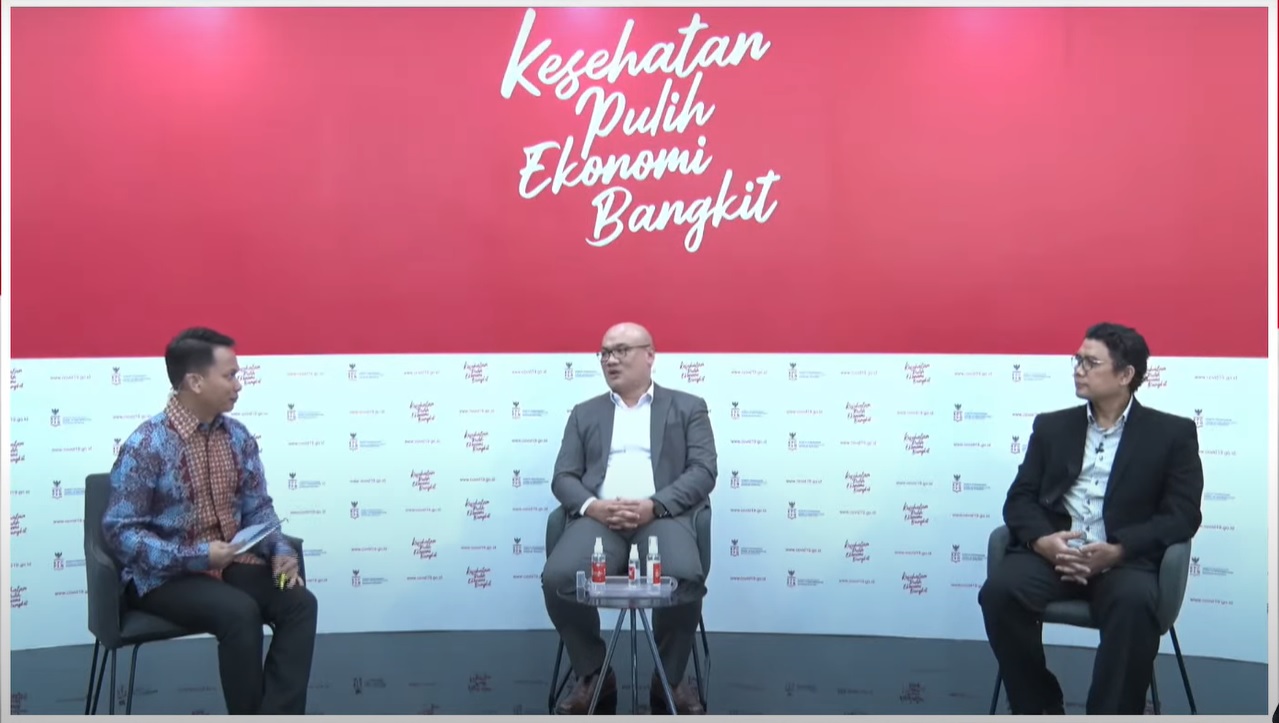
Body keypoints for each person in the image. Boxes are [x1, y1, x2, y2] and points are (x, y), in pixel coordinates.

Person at [979, 322, 1204, 715]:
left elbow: (1182, 515)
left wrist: (1118, 551)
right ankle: (1039, 704)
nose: (1078, 370)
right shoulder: (1052, 427)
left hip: (1124, 562)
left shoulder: (1172, 434)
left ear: (1125, 374)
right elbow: (1019, 500)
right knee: (1000, 593)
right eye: (1077, 360)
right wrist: (1043, 543)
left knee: (1134, 605)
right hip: (1055, 557)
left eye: (1090, 362)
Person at [102, 327, 318, 715]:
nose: (239, 384)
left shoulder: (238, 437)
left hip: (233, 565)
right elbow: (121, 532)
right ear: (195, 382)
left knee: (298, 601)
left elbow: (259, 508)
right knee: (239, 613)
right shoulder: (146, 445)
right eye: (230, 375)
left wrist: (280, 549)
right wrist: (198, 556)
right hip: (162, 578)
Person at [542, 322, 717, 715]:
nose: (611, 360)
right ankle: (593, 672)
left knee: (684, 576)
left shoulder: (688, 407)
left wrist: (654, 505)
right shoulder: (584, 413)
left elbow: (704, 471)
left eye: (621, 350)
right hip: (599, 521)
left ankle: (670, 676)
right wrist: (594, 506)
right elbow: (563, 477)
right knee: (557, 579)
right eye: (605, 352)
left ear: (650, 356)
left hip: (663, 518)